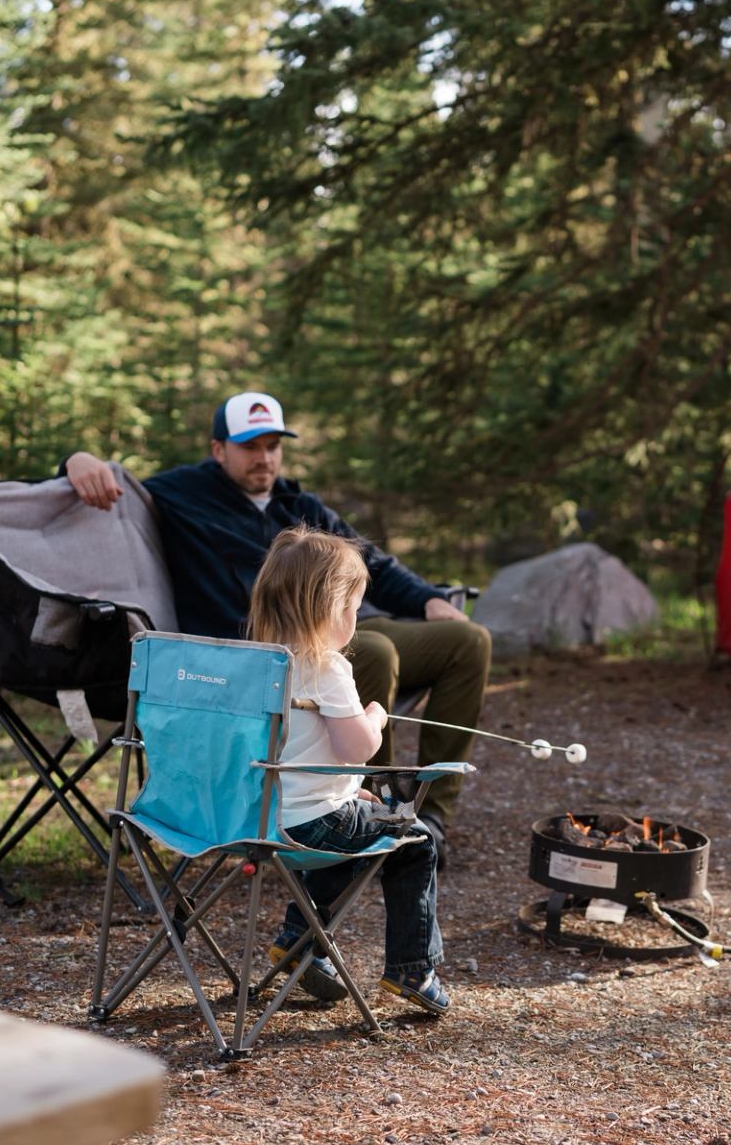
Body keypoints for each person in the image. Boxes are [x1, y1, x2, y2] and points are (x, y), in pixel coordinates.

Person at [62, 391, 490, 856]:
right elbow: (110, 490)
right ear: (218, 449)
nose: (264, 458)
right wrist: (75, 460)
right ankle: (370, 813)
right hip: (266, 651)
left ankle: (430, 815)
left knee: (466, 639)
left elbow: (373, 563)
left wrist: (429, 599)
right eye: (249, 446)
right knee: (373, 651)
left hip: (345, 625)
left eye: (273, 446)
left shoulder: (297, 503)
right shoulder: (181, 494)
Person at [245, 527, 448, 1014]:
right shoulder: (327, 667)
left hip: (252, 817)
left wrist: (343, 791)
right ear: (331, 609)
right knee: (416, 841)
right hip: (309, 824)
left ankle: (300, 939)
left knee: (356, 827)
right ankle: (412, 968)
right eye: (354, 608)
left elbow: (290, 753)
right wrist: (376, 717)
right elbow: (358, 749)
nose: (356, 619)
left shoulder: (257, 664)